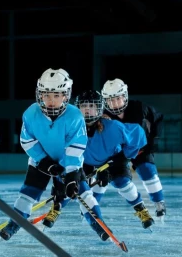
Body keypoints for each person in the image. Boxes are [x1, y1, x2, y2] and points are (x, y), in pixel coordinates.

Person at [0, 69, 111, 243]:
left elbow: (76, 146)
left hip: (69, 162)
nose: (51, 101)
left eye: (56, 95)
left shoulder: (75, 116)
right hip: (39, 162)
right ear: (39, 94)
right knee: (27, 193)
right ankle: (13, 224)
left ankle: (99, 224)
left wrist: (72, 174)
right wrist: (44, 162)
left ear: (66, 95)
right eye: (46, 95)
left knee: (84, 193)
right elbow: (27, 141)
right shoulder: (30, 114)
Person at [42, 90, 155, 230]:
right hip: (85, 163)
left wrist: (123, 157)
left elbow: (138, 134)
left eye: (91, 106)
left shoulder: (113, 127)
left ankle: (141, 209)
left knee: (123, 183)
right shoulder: (70, 130)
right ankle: (57, 207)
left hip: (112, 161)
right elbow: (63, 155)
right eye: (83, 106)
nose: (87, 110)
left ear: (99, 109)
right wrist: (61, 181)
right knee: (68, 183)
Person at [101, 79, 166, 220]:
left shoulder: (140, 108)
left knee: (147, 170)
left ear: (125, 97)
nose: (114, 103)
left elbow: (158, 117)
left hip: (139, 149)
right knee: (112, 180)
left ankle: (159, 202)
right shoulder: (101, 115)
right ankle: (90, 207)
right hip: (117, 154)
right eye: (110, 100)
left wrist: (152, 142)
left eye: (117, 99)